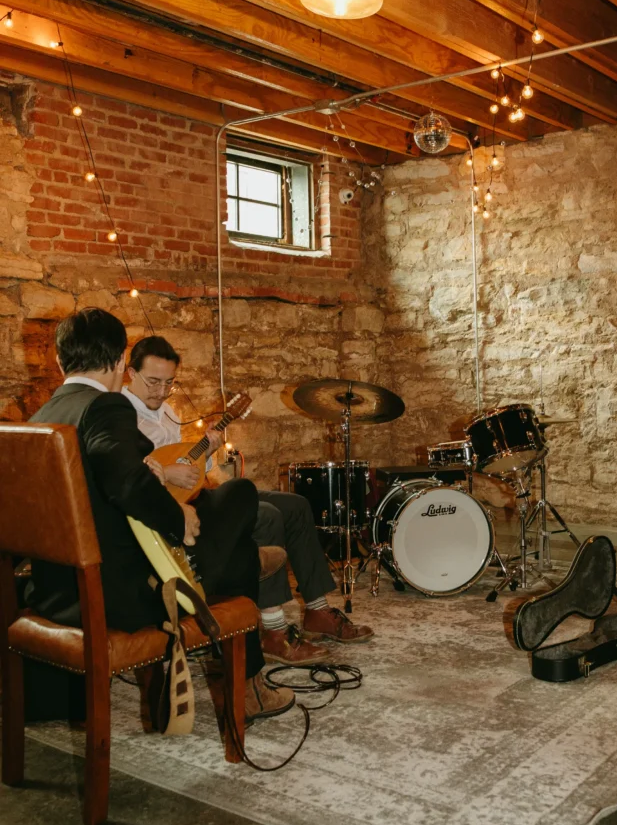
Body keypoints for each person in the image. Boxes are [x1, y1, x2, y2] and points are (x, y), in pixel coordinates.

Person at [27, 308, 294, 723]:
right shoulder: (106, 407)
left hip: (56, 595)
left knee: (233, 542)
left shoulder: (39, 419)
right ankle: (247, 685)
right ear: (120, 362)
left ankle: (234, 588)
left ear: (60, 362)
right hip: (123, 598)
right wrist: (177, 517)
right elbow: (125, 484)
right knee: (239, 494)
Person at [123, 335, 374, 666]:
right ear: (129, 373)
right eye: (153, 381)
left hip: (195, 495)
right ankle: (272, 632)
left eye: (168, 383)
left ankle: (317, 611)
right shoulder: (121, 415)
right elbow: (129, 474)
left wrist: (208, 449)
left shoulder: (168, 412)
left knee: (296, 506)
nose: (160, 391)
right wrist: (166, 473)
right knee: (265, 514)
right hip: (170, 515)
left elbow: (194, 469)